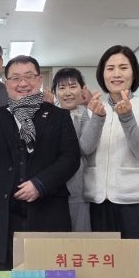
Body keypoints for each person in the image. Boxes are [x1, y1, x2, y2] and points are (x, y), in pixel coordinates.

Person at [0, 55, 80, 269]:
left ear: (39, 80)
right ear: (6, 83)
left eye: (29, 76)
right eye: (16, 78)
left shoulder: (59, 116)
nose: (23, 83)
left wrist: (40, 184)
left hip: (48, 209)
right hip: (7, 214)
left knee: (52, 273)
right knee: (10, 277)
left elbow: (70, 158)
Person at [81, 45, 139, 278]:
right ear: (102, 74)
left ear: (134, 73)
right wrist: (97, 117)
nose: (116, 74)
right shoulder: (94, 108)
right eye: (110, 68)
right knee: (106, 274)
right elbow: (85, 148)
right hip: (100, 202)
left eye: (123, 68)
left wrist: (126, 116)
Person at [52, 68, 91, 232]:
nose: (67, 93)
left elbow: (84, 148)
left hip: (79, 189)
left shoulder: (87, 115)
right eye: (62, 88)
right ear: (55, 92)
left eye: (73, 86)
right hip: (52, 190)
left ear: (82, 89)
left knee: (80, 237)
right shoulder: (49, 115)